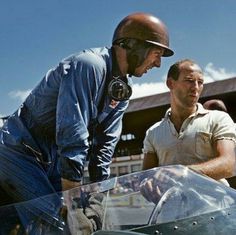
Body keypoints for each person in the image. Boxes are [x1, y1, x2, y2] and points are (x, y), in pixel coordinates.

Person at [0, 12, 174, 233]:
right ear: (132, 45)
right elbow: (73, 131)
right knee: (60, 226)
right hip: (18, 150)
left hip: (50, 160)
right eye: (156, 53)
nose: (158, 64)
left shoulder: (121, 88)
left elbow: (105, 146)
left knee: (81, 224)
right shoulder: (89, 65)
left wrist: (96, 201)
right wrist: (73, 208)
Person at [142, 59, 236, 187]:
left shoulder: (218, 119)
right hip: (172, 206)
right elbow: (147, 177)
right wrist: (148, 187)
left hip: (213, 205)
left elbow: (229, 164)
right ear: (170, 83)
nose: (196, 88)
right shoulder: (153, 132)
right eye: (189, 81)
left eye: (200, 82)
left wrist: (184, 173)